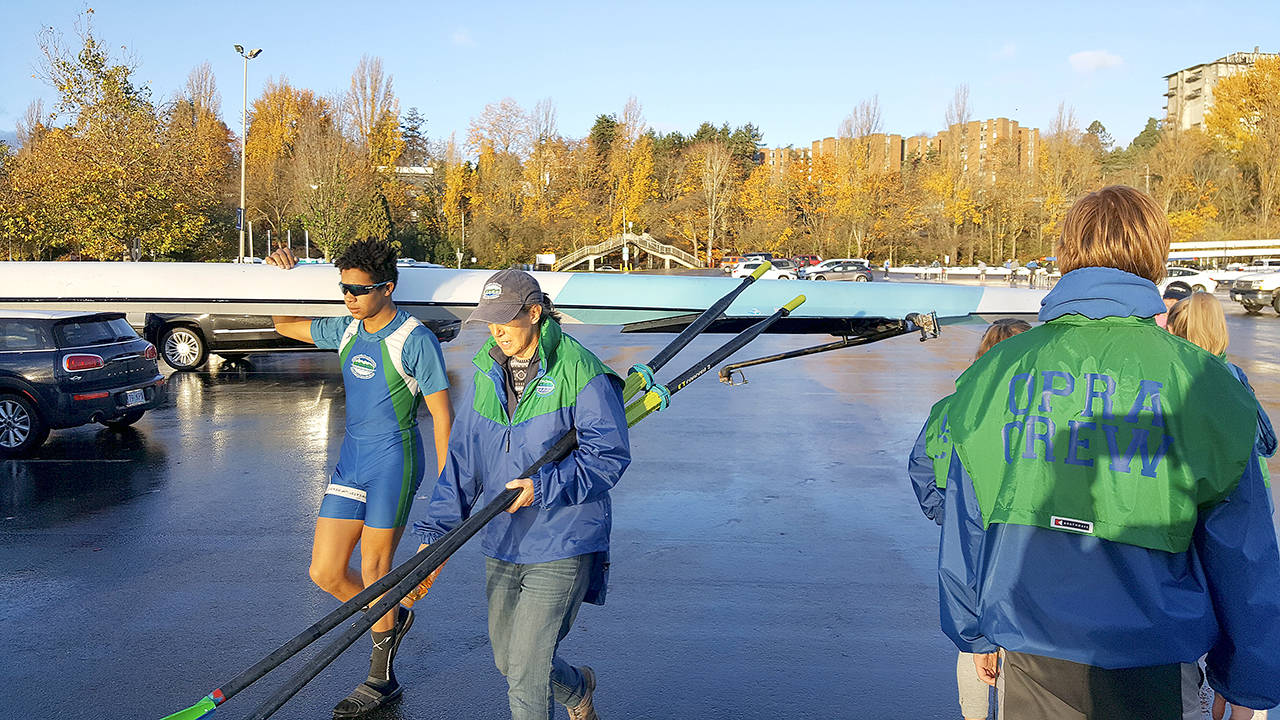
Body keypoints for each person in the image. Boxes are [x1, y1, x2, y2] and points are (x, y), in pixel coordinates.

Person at [925, 185, 1280, 719]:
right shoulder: (1206, 382)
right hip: (1157, 660)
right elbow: (1244, 544)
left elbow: (960, 506)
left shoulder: (994, 372)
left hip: (1030, 647)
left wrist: (973, 628)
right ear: (1155, 257)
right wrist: (1249, 671)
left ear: (1068, 253)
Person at [412, 268, 630, 720]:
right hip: (503, 540)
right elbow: (462, 464)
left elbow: (608, 456)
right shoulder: (486, 375)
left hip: (563, 539)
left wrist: (544, 485)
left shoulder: (580, 369)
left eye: (506, 319)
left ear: (534, 313)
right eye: (491, 319)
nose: (497, 330)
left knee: (527, 676)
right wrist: (433, 538)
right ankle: (578, 689)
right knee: (508, 661)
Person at [266, 241, 454, 717]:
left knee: (375, 573)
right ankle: (391, 616)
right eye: (343, 288)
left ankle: (381, 679)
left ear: (387, 288)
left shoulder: (414, 338)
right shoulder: (346, 329)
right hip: (351, 460)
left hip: (395, 462)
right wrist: (279, 275)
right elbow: (283, 324)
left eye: (359, 290)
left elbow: (441, 414)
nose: (349, 297)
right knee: (325, 572)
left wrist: (449, 489)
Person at [909, 317, 1031, 720]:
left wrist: (945, 511)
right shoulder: (1026, 415)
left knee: (972, 631)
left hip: (963, 531)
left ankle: (974, 714)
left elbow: (921, 466)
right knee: (1016, 631)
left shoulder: (948, 406)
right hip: (1014, 533)